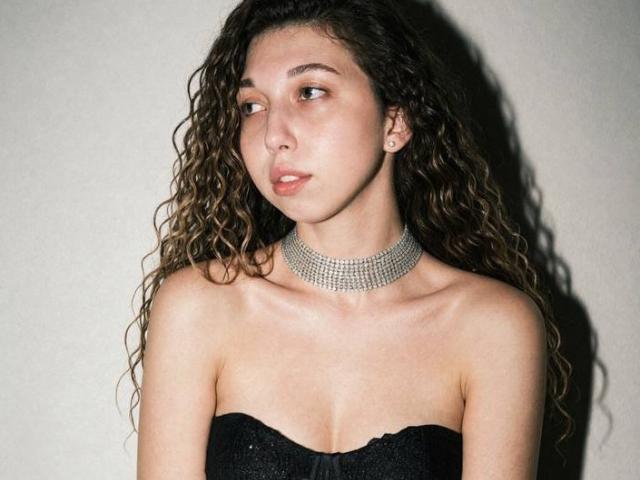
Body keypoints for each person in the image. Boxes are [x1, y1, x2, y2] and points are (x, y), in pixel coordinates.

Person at [123, 0, 572, 478]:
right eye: (252, 106)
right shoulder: (198, 307)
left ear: (394, 123)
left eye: (310, 92)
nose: (273, 134)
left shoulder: (494, 327)